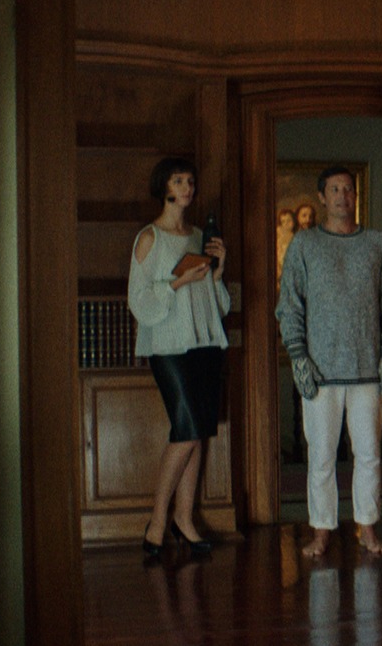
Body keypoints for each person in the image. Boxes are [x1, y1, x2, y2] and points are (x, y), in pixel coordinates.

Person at [277, 165, 382, 557]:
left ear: (354, 195)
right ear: (322, 196)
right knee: (321, 457)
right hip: (320, 371)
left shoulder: (377, 243)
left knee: (369, 454)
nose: (342, 196)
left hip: (366, 370)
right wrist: (298, 357)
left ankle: (368, 528)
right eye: (334, 189)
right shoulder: (305, 244)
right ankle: (321, 531)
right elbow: (289, 305)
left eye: (347, 189)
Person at [128, 156, 230, 558]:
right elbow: (138, 300)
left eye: (190, 181)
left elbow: (215, 304)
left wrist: (216, 274)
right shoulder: (149, 237)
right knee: (185, 430)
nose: (187, 188)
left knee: (197, 430)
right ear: (164, 187)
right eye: (178, 181)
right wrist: (176, 282)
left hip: (204, 342)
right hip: (168, 346)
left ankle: (184, 520)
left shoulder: (198, 236)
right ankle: (157, 523)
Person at [275, 208, 296, 280]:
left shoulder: (295, 236)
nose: (286, 224)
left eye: (289, 220)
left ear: (294, 221)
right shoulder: (278, 234)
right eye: (283, 221)